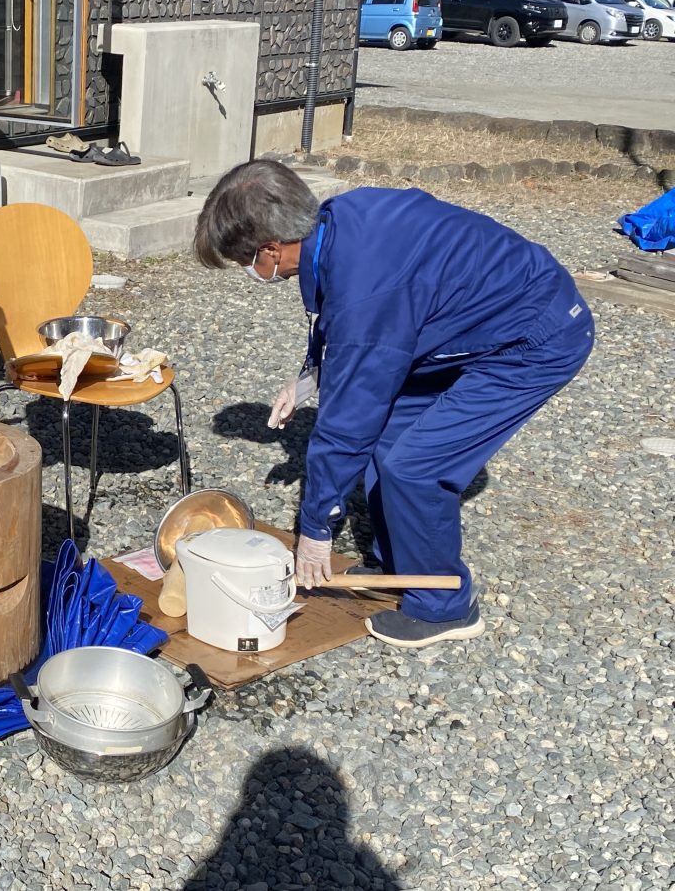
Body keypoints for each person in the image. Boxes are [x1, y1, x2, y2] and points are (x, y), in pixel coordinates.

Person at [194, 160, 594, 648]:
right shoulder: (339, 220)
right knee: (388, 439)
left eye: (247, 262)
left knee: (414, 466)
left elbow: (348, 420)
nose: (251, 273)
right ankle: (398, 563)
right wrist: (310, 375)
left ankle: (443, 608)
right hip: (460, 321)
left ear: (273, 247)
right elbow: (340, 310)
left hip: (534, 339)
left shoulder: (368, 291)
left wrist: (316, 527)